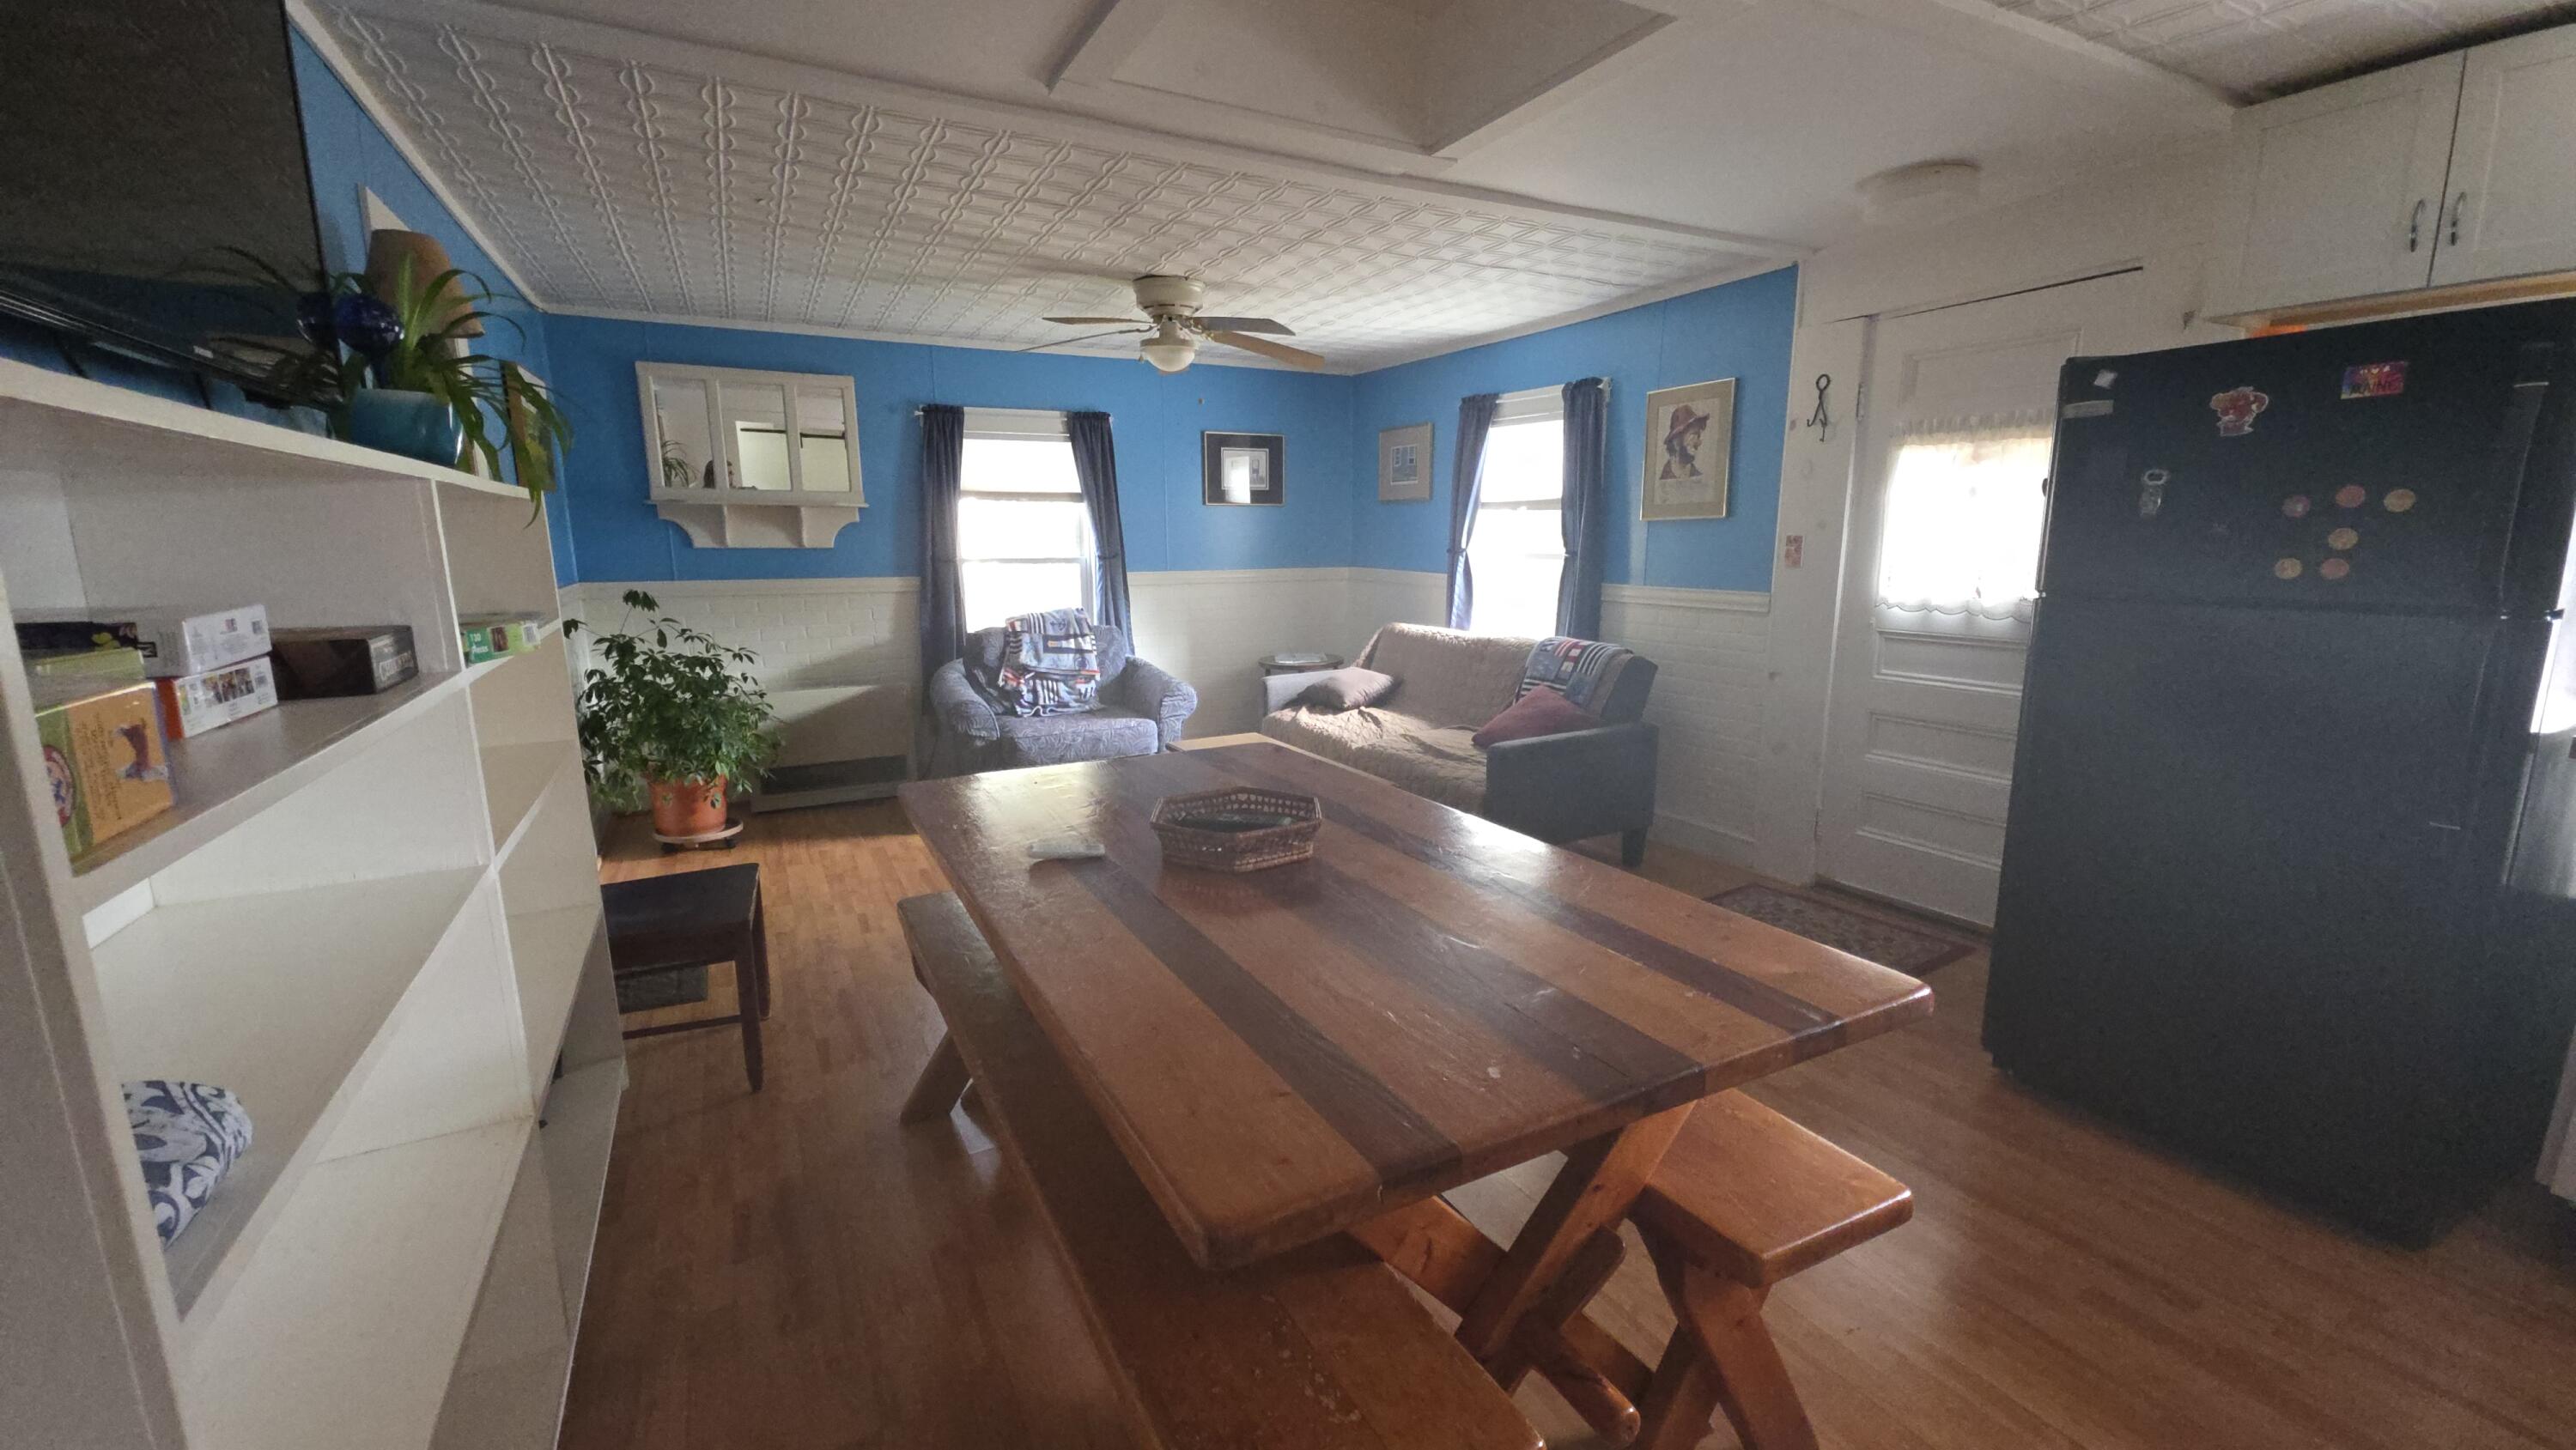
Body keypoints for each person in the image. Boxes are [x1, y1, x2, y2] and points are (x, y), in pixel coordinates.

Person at [1660, 403, 1709, 482]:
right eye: (1694, 434)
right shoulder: (1663, 478)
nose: (1699, 442)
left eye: (1698, 436)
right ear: (1677, 440)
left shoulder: (1700, 479)